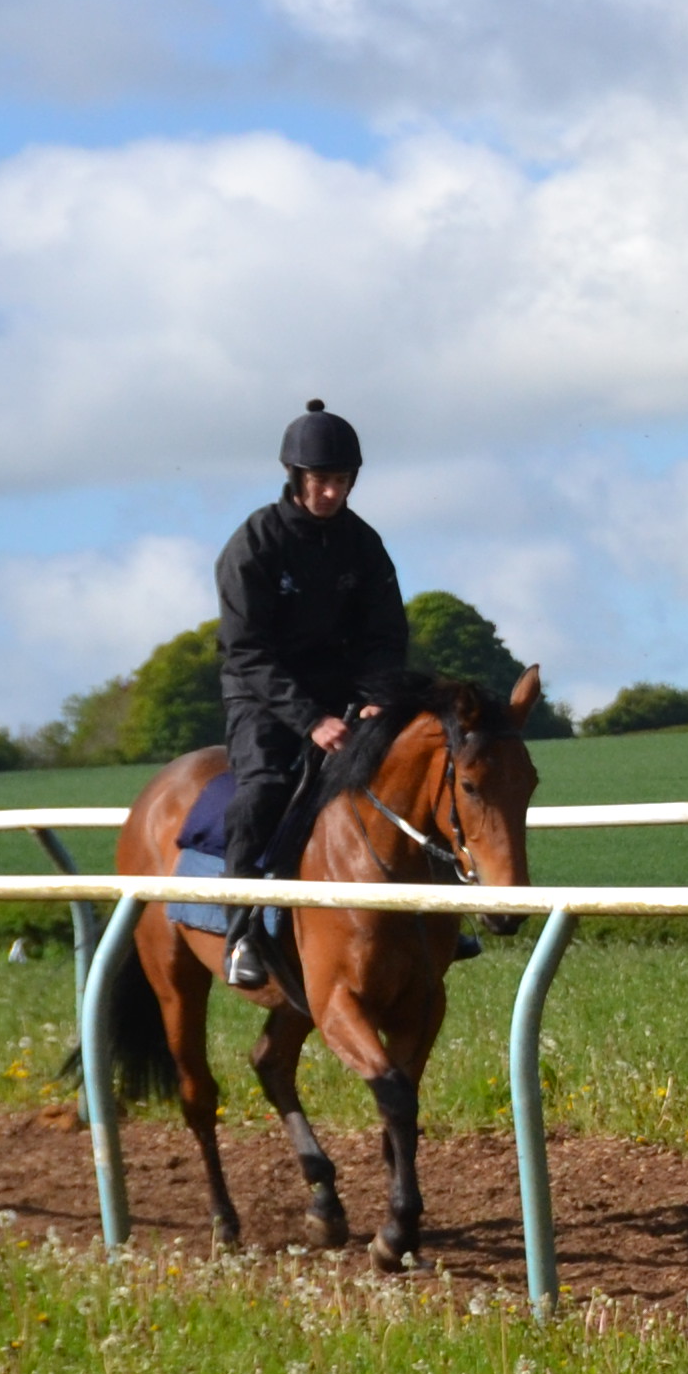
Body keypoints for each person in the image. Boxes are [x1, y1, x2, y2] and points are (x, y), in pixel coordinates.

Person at [214, 399, 408, 1000]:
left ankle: (433, 915)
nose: (330, 492)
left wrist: (378, 697)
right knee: (265, 789)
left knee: (413, 770)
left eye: (340, 481)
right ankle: (242, 930)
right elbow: (246, 650)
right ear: (296, 478)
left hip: (345, 694)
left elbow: (385, 633)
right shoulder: (254, 543)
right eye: (320, 480)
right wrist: (310, 720)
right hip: (262, 694)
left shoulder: (364, 544)